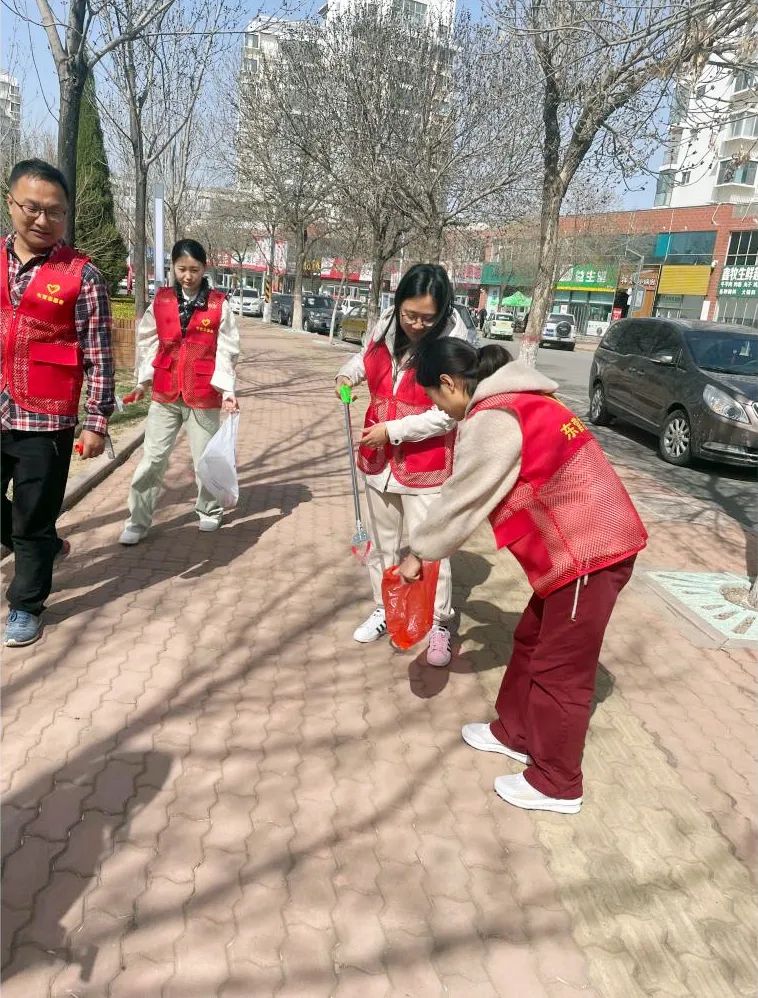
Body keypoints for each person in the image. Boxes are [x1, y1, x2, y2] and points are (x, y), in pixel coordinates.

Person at [397, 339, 647, 813]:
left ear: (449, 383)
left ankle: (558, 783)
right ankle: (514, 732)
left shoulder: (496, 416)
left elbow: (463, 497)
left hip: (590, 554)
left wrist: (420, 553)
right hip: (575, 550)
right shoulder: (522, 399)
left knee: (561, 671)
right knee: (531, 638)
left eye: (434, 398)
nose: (440, 410)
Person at [335, 263, 474, 668]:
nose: (415, 324)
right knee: (382, 544)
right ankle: (385, 606)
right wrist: (346, 375)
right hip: (378, 459)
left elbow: (448, 414)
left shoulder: (453, 344)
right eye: (409, 314)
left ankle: (439, 623)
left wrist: (393, 431)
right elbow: (366, 358)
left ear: (442, 312)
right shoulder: (385, 325)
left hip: (424, 464)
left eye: (426, 318)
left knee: (429, 548)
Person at [1, 159, 115, 647]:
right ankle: (46, 547)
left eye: (55, 211)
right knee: (26, 526)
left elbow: (99, 354)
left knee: (33, 517)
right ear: (11, 203)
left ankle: (26, 604)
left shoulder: (82, 276)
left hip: (45, 417)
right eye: (32, 207)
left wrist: (96, 421)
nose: (43, 220)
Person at [118, 239, 239, 545]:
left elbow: (227, 349)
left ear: (204, 268)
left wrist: (227, 389)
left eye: (194, 270)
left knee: (204, 460)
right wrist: (143, 381)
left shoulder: (218, 304)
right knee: (153, 459)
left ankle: (209, 509)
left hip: (203, 394)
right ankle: (137, 520)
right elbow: (148, 341)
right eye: (182, 269)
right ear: (173, 267)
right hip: (165, 393)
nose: (188, 276)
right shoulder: (161, 301)